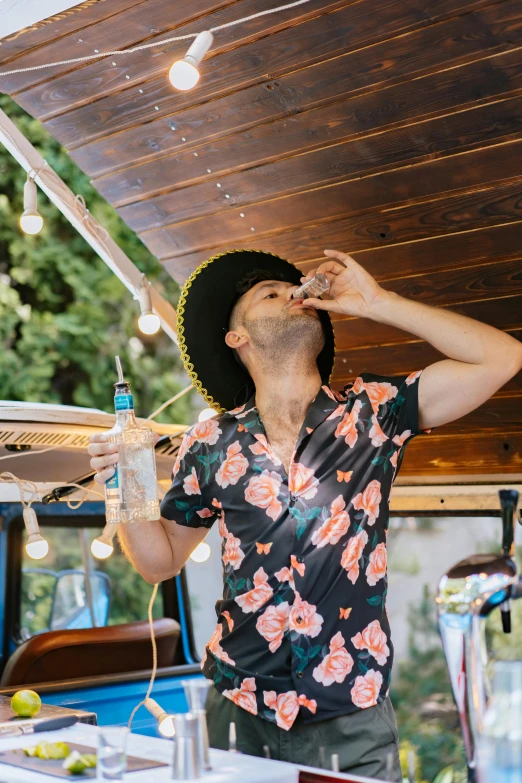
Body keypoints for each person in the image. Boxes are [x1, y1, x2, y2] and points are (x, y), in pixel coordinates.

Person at [88, 248, 522, 780]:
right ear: (237, 337)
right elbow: (158, 563)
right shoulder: (208, 442)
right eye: (269, 293)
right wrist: (124, 484)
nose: (294, 292)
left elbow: (502, 357)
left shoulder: (376, 412)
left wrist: (379, 301)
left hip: (353, 717)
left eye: (295, 290)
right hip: (237, 714)